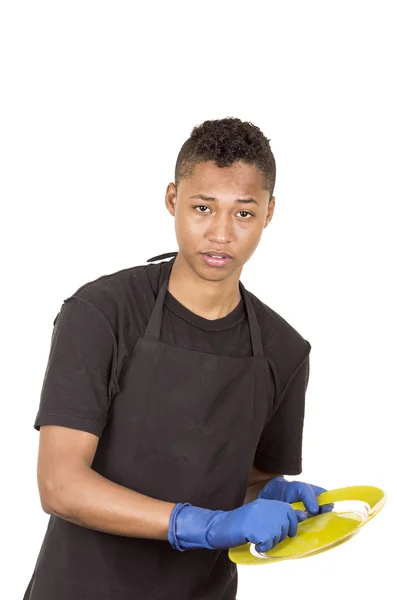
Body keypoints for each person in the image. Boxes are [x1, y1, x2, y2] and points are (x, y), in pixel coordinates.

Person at [23, 117, 329, 600]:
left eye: (244, 213)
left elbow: (244, 481)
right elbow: (60, 485)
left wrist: (268, 496)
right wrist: (203, 526)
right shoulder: (103, 313)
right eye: (203, 207)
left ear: (270, 213)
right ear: (172, 200)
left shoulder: (284, 351)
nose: (221, 233)